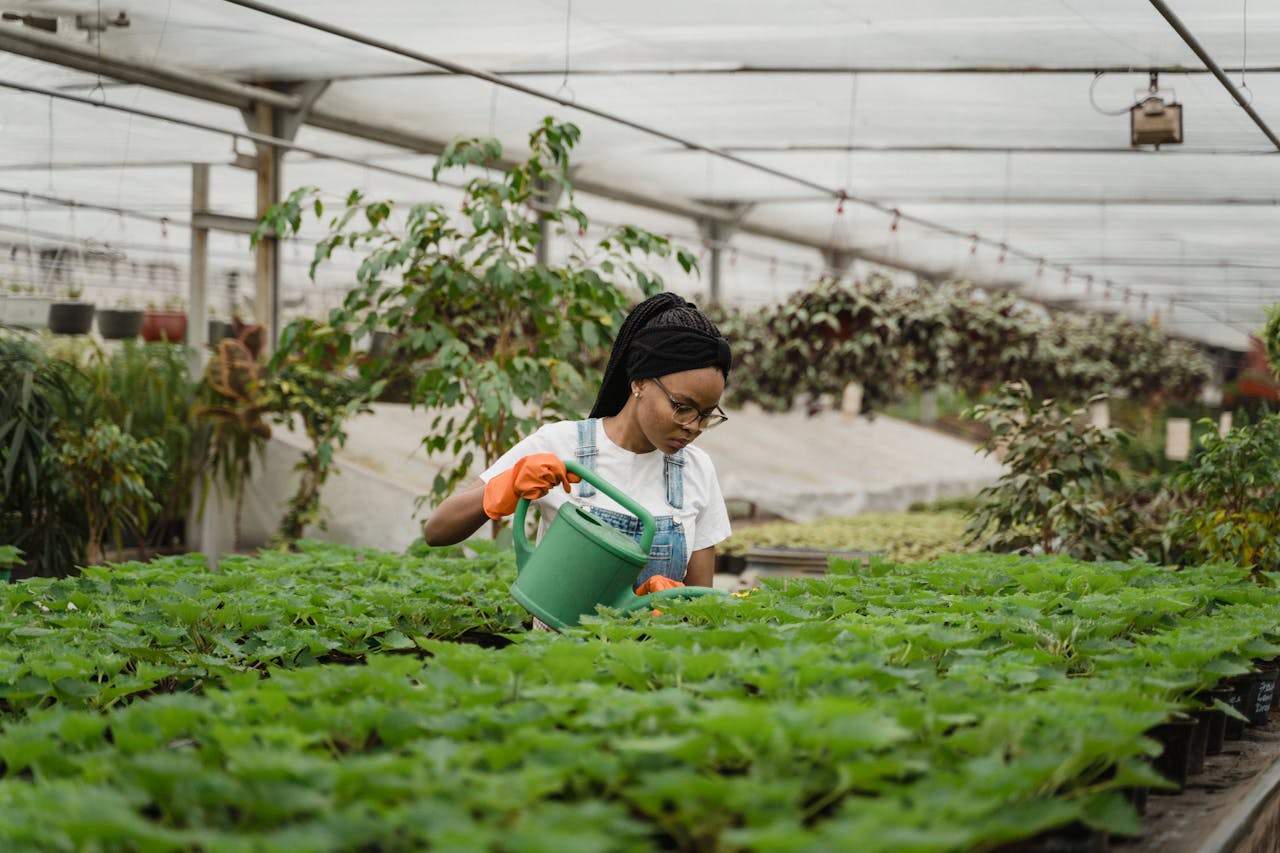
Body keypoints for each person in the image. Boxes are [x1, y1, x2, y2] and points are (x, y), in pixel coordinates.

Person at [422, 291, 733, 591]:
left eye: (706, 415)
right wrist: (509, 484)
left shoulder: (696, 470)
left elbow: (699, 604)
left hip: (652, 645)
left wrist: (668, 603)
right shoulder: (560, 445)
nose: (694, 427)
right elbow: (437, 531)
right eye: (682, 407)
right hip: (563, 645)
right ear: (639, 382)